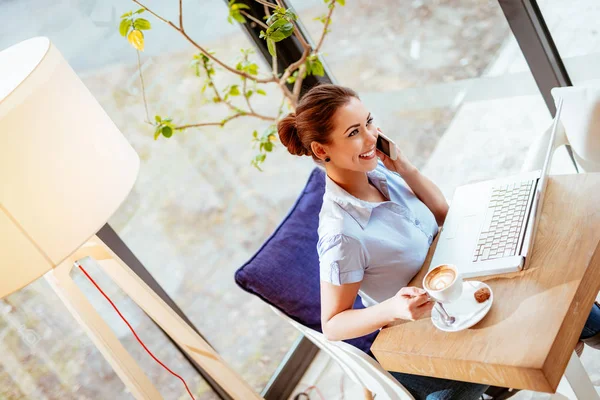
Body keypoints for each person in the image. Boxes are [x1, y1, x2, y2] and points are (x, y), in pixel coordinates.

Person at [277, 83, 600, 400]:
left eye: (369, 122)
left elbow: (443, 214)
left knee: (559, 292)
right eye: (353, 133)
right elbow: (333, 325)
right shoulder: (340, 234)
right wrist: (393, 307)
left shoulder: (376, 170)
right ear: (321, 150)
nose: (371, 137)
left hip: (459, 281)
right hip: (421, 327)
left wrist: (404, 167)